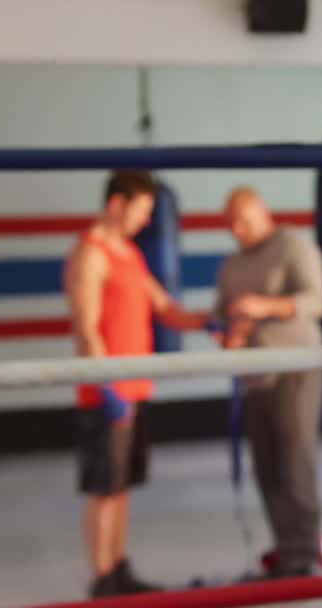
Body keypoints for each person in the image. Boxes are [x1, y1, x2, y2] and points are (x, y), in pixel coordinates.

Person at [63, 170, 208, 598]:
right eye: (142, 210)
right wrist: (106, 388)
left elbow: (165, 308)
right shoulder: (90, 255)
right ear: (116, 204)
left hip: (137, 389)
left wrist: (210, 321)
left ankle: (119, 568)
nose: (147, 221)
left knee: (123, 487)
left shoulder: (128, 253)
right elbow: (87, 328)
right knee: (105, 490)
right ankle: (102, 578)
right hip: (106, 394)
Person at [215, 186, 322, 579]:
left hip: (296, 368)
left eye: (243, 220)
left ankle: (305, 553)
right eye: (231, 223)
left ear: (263, 212)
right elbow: (220, 318)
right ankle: (285, 547)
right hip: (254, 375)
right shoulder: (231, 266)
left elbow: (318, 301)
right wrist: (228, 333)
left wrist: (264, 306)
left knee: (295, 459)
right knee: (266, 465)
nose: (237, 229)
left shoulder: (292, 246)